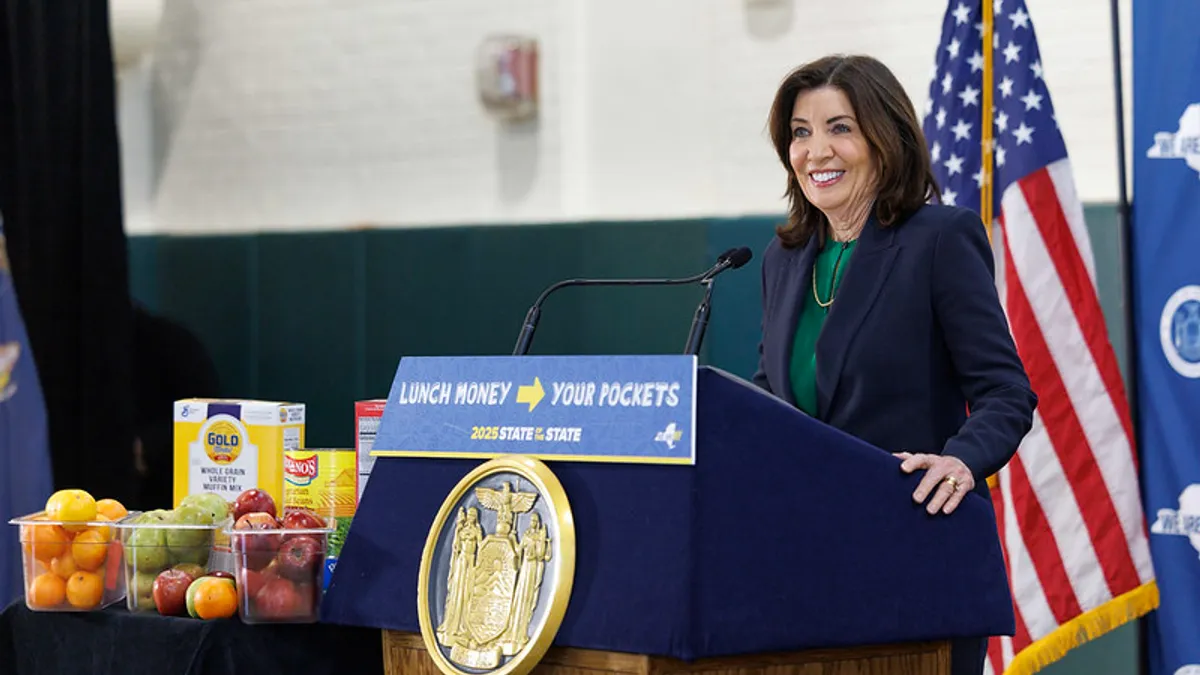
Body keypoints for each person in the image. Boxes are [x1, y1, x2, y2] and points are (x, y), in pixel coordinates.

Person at [751, 54, 1037, 675]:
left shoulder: (939, 238)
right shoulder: (785, 257)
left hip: (914, 552)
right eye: (801, 132)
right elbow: (771, 394)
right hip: (802, 564)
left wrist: (962, 460)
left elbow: (1004, 391)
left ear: (886, 139)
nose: (816, 151)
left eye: (840, 128)